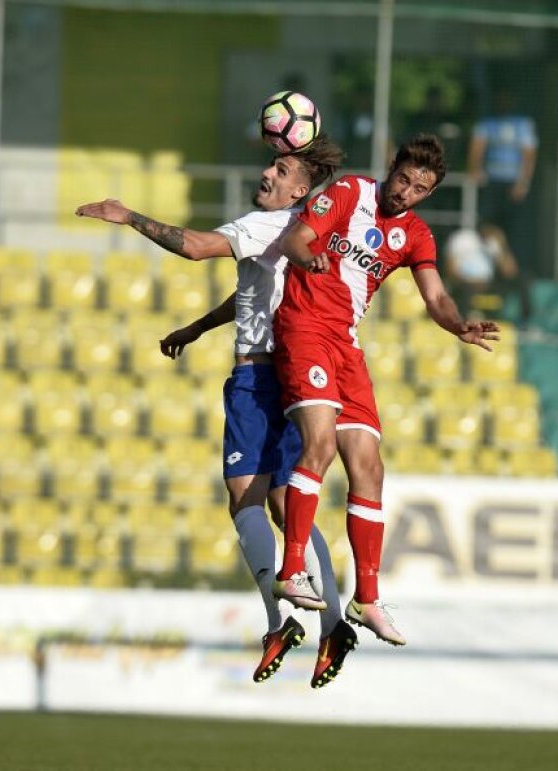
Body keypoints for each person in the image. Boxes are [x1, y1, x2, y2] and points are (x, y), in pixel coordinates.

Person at [74, 136, 358, 689]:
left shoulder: (262, 224)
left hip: (258, 379)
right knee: (286, 502)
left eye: (280, 168)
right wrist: (198, 327)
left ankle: (279, 622)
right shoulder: (305, 232)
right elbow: (255, 293)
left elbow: (197, 246)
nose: (268, 174)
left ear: (301, 188)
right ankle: (334, 622)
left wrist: (129, 215)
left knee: (244, 496)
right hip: (301, 373)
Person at [270, 134, 499, 645]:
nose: (407, 193)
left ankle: (366, 597)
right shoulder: (351, 192)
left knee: (369, 465)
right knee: (321, 444)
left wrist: (458, 324)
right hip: (303, 328)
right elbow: (294, 240)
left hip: (345, 345)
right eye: (403, 179)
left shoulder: (415, 234)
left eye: (420, 188)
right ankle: (291, 570)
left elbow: (435, 295)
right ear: (390, 169)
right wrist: (310, 259)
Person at [467, 88, 537, 326]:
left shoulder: (523, 124)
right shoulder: (488, 123)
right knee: (487, 230)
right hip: (493, 185)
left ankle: (522, 299)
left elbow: (529, 152)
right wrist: (475, 170)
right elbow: (477, 146)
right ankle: (497, 267)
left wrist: (523, 181)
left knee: (516, 246)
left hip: (512, 188)